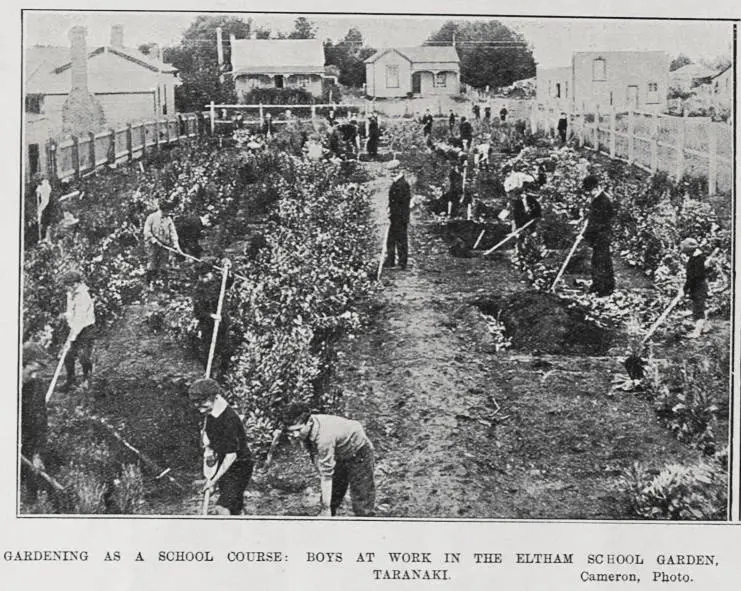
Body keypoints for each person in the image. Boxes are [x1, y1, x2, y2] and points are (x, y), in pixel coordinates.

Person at [281, 402, 375, 517]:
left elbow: (326, 475)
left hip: (359, 450)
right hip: (339, 450)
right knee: (334, 490)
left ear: (309, 422)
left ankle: (366, 524)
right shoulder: (306, 429)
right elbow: (317, 459)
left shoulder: (324, 438)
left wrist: (326, 508)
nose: (295, 435)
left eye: (298, 430)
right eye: (291, 431)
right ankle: (329, 519)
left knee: (361, 493)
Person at [189, 379, 253, 516]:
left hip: (239, 466)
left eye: (203, 404)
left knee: (222, 508)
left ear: (214, 398)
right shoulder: (209, 415)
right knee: (234, 506)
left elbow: (232, 455)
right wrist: (209, 476)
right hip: (223, 462)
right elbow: (210, 450)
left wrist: (213, 481)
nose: (200, 409)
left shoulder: (228, 420)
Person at [192, 259, 235, 378]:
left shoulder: (217, 284)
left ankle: (223, 373)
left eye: (206, 276)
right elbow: (198, 311)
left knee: (226, 349)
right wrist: (211, 316)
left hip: (223, 323)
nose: (203, 279)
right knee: (208, 351)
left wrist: (228, 270)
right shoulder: (198, 290)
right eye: (201, 277)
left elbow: (229, 282)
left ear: (211, 273)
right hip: (208, 325)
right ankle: (209, 374)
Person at [21, 342, 50, 501]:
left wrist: (37, 454)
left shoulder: (36, 386)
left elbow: (40, 421)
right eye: (31, 371)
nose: (35, 377)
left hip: (27, 440)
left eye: (38, 372)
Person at [59, 270, 96, 392]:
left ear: (76, 283)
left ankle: (87, 380)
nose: (69, 288)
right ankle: (70, 381)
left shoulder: (83, 296)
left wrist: (73, 336)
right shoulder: (71, 293)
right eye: (67, 285)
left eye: (71, 285)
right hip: (74, 326)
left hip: (86, 329)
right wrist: (66, 316)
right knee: (68, 355)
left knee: (83, 356)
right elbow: (71, 311)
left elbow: (80, 319)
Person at [582, 175, 615, 297]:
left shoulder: (603, 201)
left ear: (597, 187)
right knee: (597, 261)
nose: (589, 193)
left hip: (602, 236)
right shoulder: (597, 199)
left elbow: (599, 222)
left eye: (590, 190)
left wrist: (585, 235)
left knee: (602, 262)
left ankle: (605, 288)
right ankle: (597, 284)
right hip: (599, 236)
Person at [143, 200, 182, 288]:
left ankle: (165, 286)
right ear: (162, 210)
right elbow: (146, 231)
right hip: (152, 245)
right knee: (152, 263)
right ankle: (147, 284)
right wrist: (154, 241)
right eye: (167, 211)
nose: (169, 213)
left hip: (165, 245)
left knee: (164, 264)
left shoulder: (168, 219)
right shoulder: (152, 217)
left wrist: (176, 246)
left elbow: (173, 233)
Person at [681, 238, 709, 338]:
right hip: (698, 286)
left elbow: (693, 277)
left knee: (698, 310)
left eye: (686, 251)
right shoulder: (696, 257)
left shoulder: (697, 259)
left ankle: (696, 332)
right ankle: (705, 327)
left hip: (698, 287)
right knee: (700, 307)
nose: (685, 253)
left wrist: (685, 289)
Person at [385, 171, 411, 270]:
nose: (391, 175)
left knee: (401, 239)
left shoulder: (402, 184)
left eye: (393, 172)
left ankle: (402, 262)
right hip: (396, 216)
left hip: (400, 217)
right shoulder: (396, 183)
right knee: (391, 239)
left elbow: (400, 202)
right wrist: (389, 208)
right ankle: (390, 260)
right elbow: (392, 200)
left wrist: (393, 212)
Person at [36, 178, 53, 242]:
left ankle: (44, 238)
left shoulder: (46, 187)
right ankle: (42, 237)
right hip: (45, 205)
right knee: (43, 222)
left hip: (45, 205)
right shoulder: (45, 186)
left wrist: (39, 210)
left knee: (44, 222)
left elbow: (45, 200)